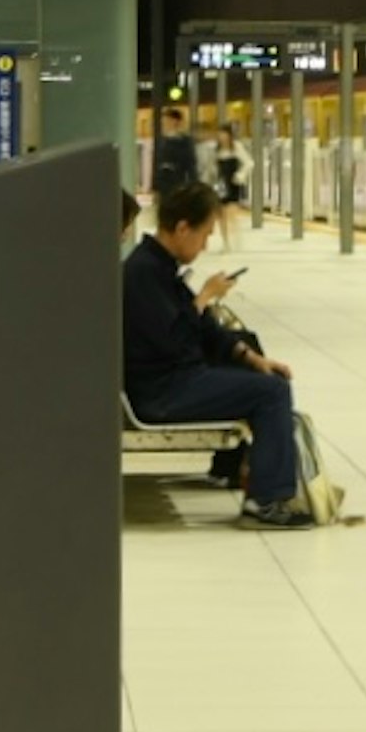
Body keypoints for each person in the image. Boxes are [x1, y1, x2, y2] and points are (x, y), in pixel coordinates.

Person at [121, 180, 315, 529]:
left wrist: (250, 357)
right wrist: (204, 297)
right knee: (272, 393)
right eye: (204, 235)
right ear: (182, 228)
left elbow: (205, 330)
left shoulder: (158, 267)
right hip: (163, 391)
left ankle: (240, 472)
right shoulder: (142, 274)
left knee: (262, 372)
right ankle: (266, 500)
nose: (205, 244)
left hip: (174, 379)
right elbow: (171, 338)